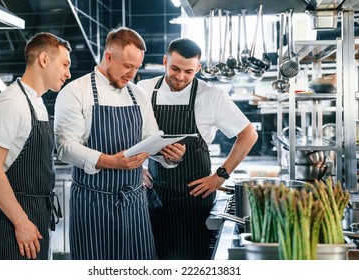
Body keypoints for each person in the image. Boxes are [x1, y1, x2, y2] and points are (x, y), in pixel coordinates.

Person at [54, 27, 185, 260]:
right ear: (108, 57)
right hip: (94, 205)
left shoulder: (137, 94)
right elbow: (65, 147)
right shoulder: (75, 92)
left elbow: (150, 138)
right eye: (127, 66)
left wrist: (168, 155)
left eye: (136, 67)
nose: (132, 74)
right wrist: (109, 161)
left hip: (134, 203)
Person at [137, 38, 258, 260]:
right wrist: (136, 169)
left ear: (198, 69)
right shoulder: (143, 90)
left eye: (188, 71)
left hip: (194, 201)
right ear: (165, 61)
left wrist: (220, 176)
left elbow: (249, 134)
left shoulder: (211, 96)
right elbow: (130, 135)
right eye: (174, 68)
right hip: (154, 199)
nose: (180, 77)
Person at [0, 32, 72, 260]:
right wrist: (21, 222)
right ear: (43, 59)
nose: (68, 74)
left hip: (38, 214)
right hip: (16, 220)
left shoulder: (36, 103)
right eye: (64, 65)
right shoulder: (12, 103)